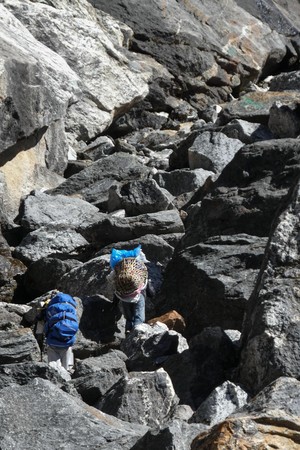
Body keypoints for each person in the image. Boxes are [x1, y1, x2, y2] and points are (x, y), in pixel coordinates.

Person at [109, 246, 149, 334]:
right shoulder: (140, 271)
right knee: (139, 315)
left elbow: (116, 289)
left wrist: (114, 303)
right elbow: (147, 284)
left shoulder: (118, 273)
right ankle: (137, 331)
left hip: (124, 297)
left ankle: (128, 330)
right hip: (139, 296)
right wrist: (152, 294)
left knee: (129, 317)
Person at [36, 291, 79, 373]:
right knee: (68, 365)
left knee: (54, 368)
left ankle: (55, 374)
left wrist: (39, 338)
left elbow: (41, 323)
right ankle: (68, 372)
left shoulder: (49, 307)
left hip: (52, 342)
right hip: (68, 341)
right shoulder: (71, 306)